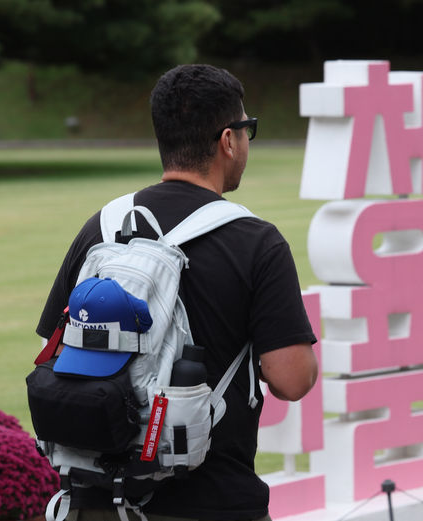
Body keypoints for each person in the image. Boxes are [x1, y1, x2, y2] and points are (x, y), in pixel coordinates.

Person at [36, 64, 319, 521]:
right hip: (212, 502)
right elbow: (292, 378)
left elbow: (55, 349)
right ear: (228, 141)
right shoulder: (256, 241)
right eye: (248, 130)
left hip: (95, 501)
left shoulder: (102, 227)